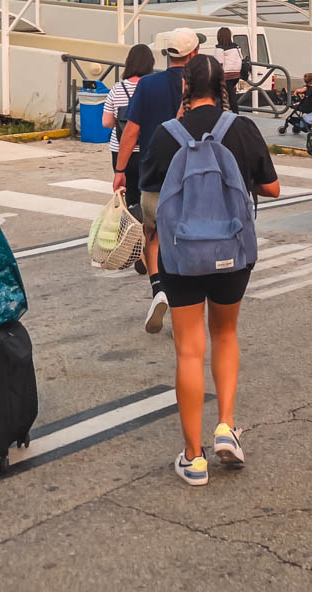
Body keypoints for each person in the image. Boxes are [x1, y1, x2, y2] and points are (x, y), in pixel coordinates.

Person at [140, 53, 280, 487]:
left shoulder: (167, 135)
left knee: (188, 350)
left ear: (185, 87)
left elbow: (148, 202)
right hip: (231, 252)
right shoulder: (241, 128)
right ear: (224, 86)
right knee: (225, 334)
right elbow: (272, 188)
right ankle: (226, 427)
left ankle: (193, 456)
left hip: (182, 256)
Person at [113, 28, 193, 334]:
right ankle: (185, 300)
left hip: (153, 170)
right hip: (189, 171)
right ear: (194, 54)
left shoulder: (147, 84)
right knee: (185, 237)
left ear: (166, 54)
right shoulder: (197, 84)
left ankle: (159, 288)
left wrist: (120, 170)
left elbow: (130, 131)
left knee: (153, 234)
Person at [102, 44, 155, 172]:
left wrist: (122, 122)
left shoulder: (117, 88)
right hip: (147, 146)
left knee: (124, 188)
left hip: (120, 148)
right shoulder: (154, 87)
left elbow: (106, 122)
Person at [215, 27, 243, 112]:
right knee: (230, 93)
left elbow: (219, 64)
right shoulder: (236, 47)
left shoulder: (219, 48)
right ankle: (234, 112)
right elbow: (241, 58)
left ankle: (225, 112)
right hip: (237, 74)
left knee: (223, 95)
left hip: (226, 75)